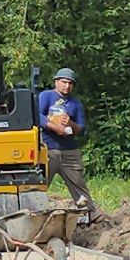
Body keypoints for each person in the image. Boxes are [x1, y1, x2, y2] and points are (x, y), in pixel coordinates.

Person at [36, 67, 95, 224]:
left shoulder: (75, 104)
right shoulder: (46, 96)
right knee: (39, 185)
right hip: (48, 149)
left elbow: (81, 129)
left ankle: (89, 216)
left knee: (79, 184)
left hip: (69, 151)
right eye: (64, 82)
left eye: (70, 83)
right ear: (56, 81)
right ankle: (34, 215)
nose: (67, 86)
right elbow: (37, 116)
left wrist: (70, 124)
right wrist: (55, 125)